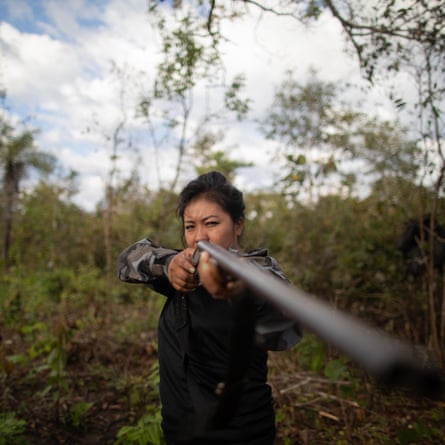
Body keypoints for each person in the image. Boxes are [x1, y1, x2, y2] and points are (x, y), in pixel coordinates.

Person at [117, 171, 302, 445]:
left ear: (237, 225)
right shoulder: (182, 265)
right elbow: (129, 259)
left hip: (241, 432)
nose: (199, 237)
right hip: (179, 426)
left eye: (211, 223)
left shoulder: (258, 270)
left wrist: (238, 284)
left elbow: (287, 327)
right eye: (190, 226)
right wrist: (169, 266)